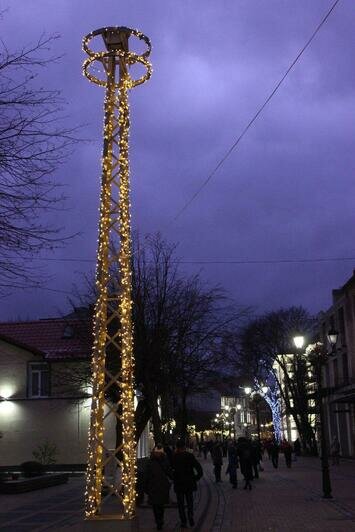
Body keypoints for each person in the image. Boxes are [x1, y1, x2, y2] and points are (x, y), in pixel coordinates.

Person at [172, 439, 203, 528]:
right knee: (190, 501)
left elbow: (171, 470)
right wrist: (195, 478)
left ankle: (183, 521)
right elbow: (199, 469)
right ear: (184, 447)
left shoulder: (174, 457)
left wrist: (173, 478)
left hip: (179, 483)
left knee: (181, 504)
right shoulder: (190, 456)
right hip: (189, 483)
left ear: (177, 447)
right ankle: (190, 515)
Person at [144, 444, 172, 530]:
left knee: (157, 506)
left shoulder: (151, 462)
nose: (158, 454)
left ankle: (159, 521)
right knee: (159, 506)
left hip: (155, 486)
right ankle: (159, 521)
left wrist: (146, 487)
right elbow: (169, 472)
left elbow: (146, 475)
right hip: (159, 486)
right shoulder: (164, 461)